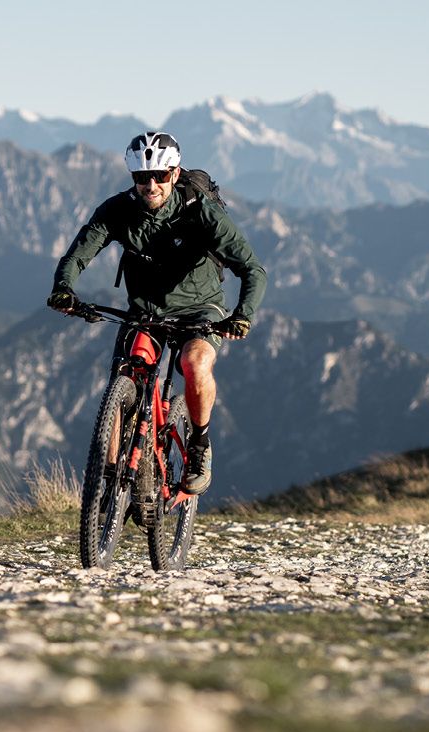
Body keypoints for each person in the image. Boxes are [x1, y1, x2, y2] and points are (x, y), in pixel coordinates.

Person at [48, 131, 267, 495]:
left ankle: (199, 444)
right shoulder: (117, 210)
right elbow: (77, 255)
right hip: (145, 312)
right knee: (125, 376)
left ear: (175, 174)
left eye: (160, 176)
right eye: (141, 177)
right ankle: (109, 481)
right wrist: (64, 288)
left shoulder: (201, 212)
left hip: (201, 310)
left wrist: (242, 315)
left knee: (194, 365)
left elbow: (252, 270)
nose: (150, 184)